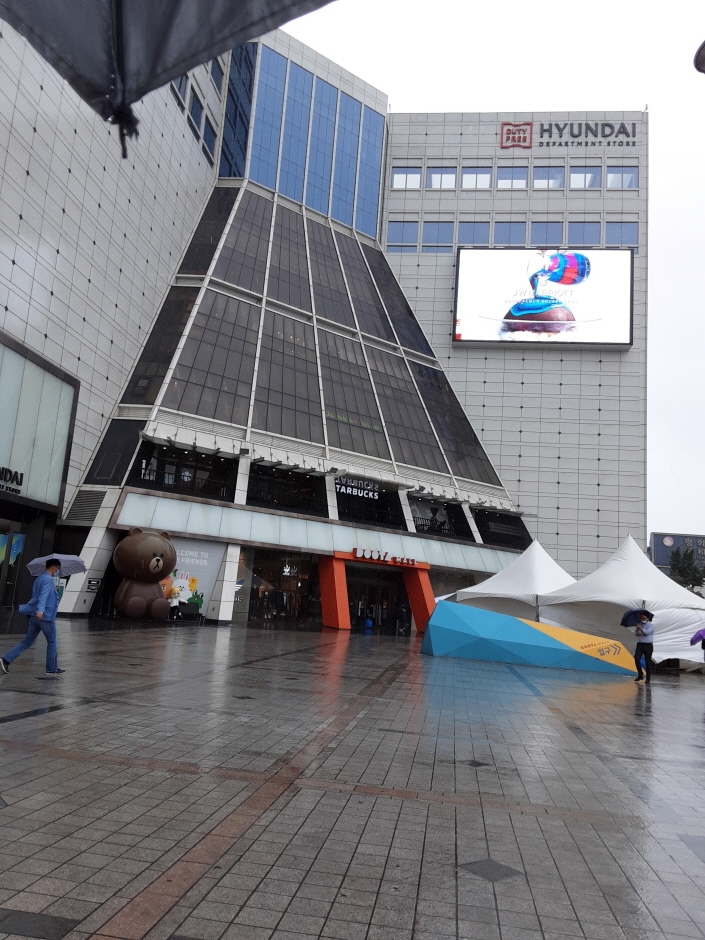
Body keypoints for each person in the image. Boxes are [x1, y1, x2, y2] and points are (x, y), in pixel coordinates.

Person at [0, 559, 65, 676]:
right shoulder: (48, 579)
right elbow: (43, 596)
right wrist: (41, 610)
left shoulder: (40, 578)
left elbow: (39, 594)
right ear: (53, 567)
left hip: (34, 616)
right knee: (52, 642)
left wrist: (54, 590)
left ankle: (6, 659)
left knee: (27, 641)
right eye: (58, 569)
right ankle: (51, 668)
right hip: (45, 616)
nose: (57, 571)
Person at [633, 612, 654, 683]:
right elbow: (636, 633)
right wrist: (638, 633)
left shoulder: (651, 625)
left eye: (644, 618)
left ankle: (648, 678)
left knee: (648, 661)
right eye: (642, 618)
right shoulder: (639, 624)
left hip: (648, 645)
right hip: (640, 644)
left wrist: (640, 628)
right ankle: (640, 674)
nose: (643, 619)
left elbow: (647, 632)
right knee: (636, 658)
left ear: (647, 618)